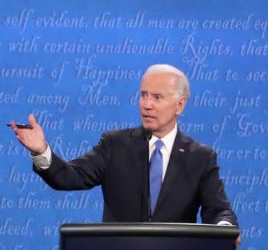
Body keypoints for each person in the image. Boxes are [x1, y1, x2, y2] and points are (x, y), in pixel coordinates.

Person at [9, 63, 238, 230]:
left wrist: (226, 227)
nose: (147, 105)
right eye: (143, 95)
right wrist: (41, 151)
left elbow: (218, 210)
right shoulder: (115, 145)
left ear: (179, 105)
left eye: (157, 98)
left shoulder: (200, 157)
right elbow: (69, 177)